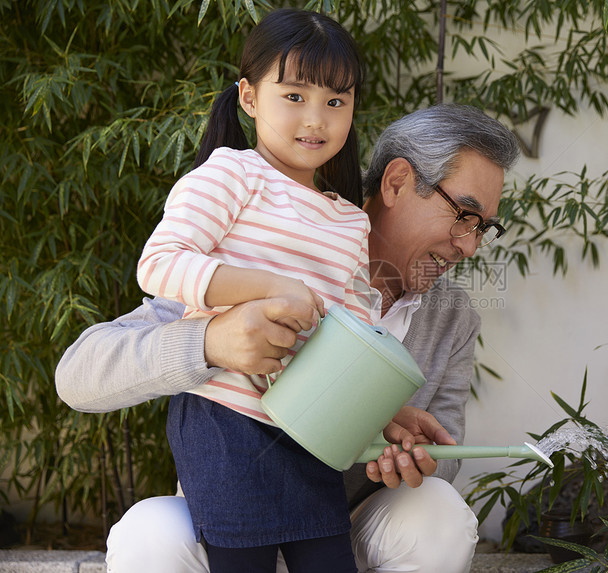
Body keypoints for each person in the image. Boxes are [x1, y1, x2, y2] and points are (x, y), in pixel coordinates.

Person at [56, 104, 521, 572]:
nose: (469, 246)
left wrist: (409, 459)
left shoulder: (453, 316)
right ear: (397, 181)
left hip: (341, 534)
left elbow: (446, 448)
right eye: (464, 215)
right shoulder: (272, 243)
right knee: (147, 533)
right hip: (227, 522)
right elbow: (78, 375)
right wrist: (209, 342)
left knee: (438, 513)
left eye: (483, 228)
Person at [132, 8, 373, 572]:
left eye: (336, 102)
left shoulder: (350, 221)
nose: (316, 119)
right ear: (248, 97)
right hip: (226, 418)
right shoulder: (230, 175)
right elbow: (159, 264)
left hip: (310, 430)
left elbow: (356, 329)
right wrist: (272, 286)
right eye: (294, 96)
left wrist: (384, 411)